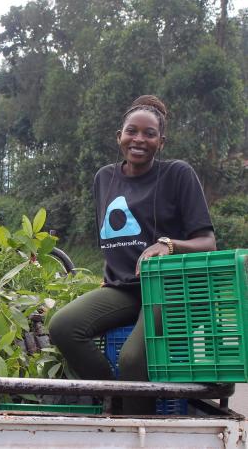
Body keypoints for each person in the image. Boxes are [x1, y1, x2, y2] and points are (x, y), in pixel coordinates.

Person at [48, 95, 216, 414]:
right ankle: (115, 403)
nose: (139, 139)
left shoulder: (178, 174)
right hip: (123, 289)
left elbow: (208, 242)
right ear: (119, 137)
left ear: (161, 142)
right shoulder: (104, 179)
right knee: (63, 327)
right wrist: (107, 278)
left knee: (133, 358)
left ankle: (138, 428)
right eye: (131, 131)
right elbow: (115, 242)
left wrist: (169, 244)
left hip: (170, 288)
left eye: (149, 134)